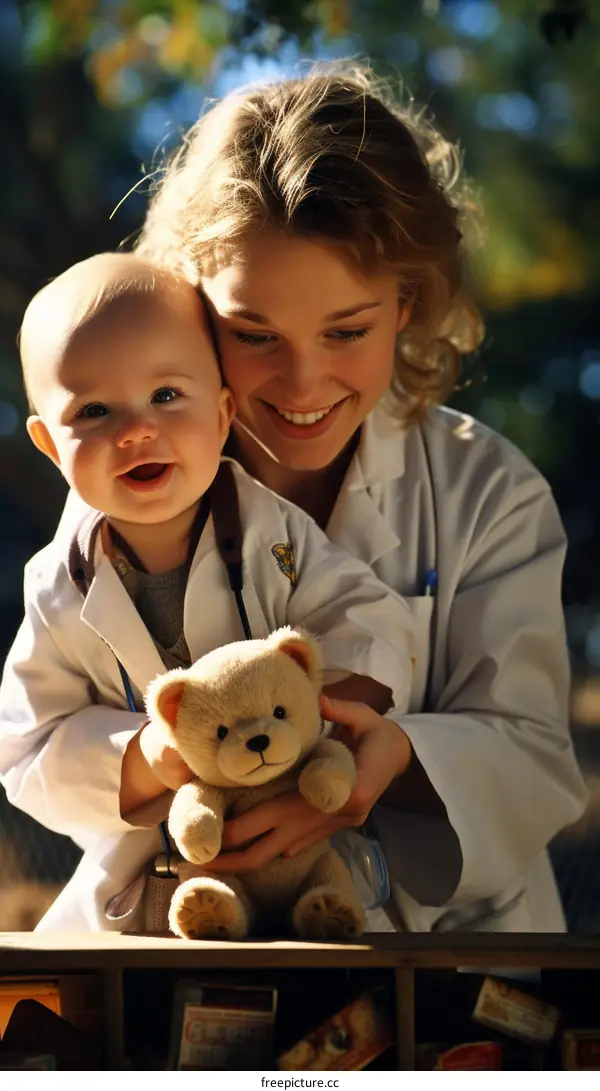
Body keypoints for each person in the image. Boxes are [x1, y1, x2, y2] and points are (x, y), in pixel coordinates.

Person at [12, 58, 587, 933]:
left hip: (443, 943)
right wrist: (151, 755)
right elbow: (38, 737)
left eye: (347, 330)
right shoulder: (125, 492)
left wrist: (394, 758)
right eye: (253, 334)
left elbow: (537, 757)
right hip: (182, 917)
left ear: (407, 304)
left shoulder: (487, 491)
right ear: (192, 312)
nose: (303, 379)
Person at [0, 250, 417, 932]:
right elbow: (26, 749)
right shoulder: (57, 588)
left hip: (297, 835)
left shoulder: (270, 532)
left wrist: (313, 720)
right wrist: (145, 758)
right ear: (50, 444)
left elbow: (368, 619)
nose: (136, 430)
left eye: (166, 396)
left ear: (223, 414)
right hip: (152, 863)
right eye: (96, 410)